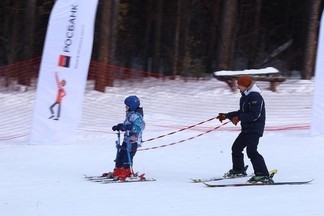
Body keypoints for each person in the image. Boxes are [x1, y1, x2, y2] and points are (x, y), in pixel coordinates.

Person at [217, 75, 273, 183]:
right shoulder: (245, 96)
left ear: (246, 85)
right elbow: (242, 112)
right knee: (236, 148)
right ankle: (238, 170)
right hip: (247, 129)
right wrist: (226, 115)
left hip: (254, 129)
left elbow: (254, 115)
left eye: (240, 85)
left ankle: (263, 175)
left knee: (251, 151)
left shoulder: (255, 97)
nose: (238, 87)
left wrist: (238, 118)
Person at [102, 95, 145, 181]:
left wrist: (129, 127)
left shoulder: (136, 116)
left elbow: (141, 126)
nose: (125, 107)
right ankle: (118, 169)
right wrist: (120, 126)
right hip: (127, 140)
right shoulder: (130, 114)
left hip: (133, 140)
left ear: (131, 106)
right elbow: (126, 124)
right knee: (120, 155)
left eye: (127, 106)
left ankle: (127, 171)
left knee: (127, 156)